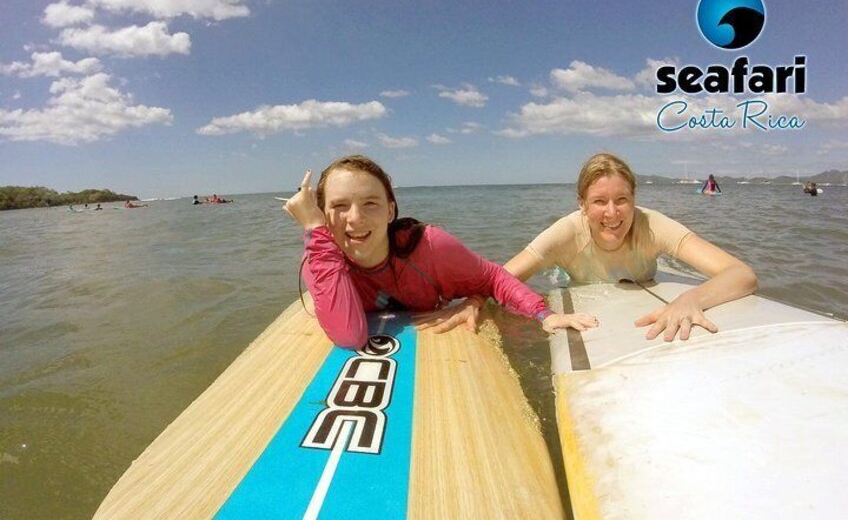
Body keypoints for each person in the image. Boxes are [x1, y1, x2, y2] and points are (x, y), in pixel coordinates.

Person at [282, 155, 596, 349]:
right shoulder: (319, 260)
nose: (355, 218)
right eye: (338, 206)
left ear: (391, 210)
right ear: (321, 216)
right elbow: (350, 336)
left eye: (370, 204)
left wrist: (546, 315)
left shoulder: (430, 247)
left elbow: (493, 278)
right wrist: (314, 228)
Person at [504, 153, 757, 342]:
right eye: (599, 201)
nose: (612, 213)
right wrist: (541, 313)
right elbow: (498, 280)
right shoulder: (566, 232)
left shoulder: (652, 225)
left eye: (622, 200)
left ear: (635, 198)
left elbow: (742, 274)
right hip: (576, 280)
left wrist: (691, 299)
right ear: (582, 204)